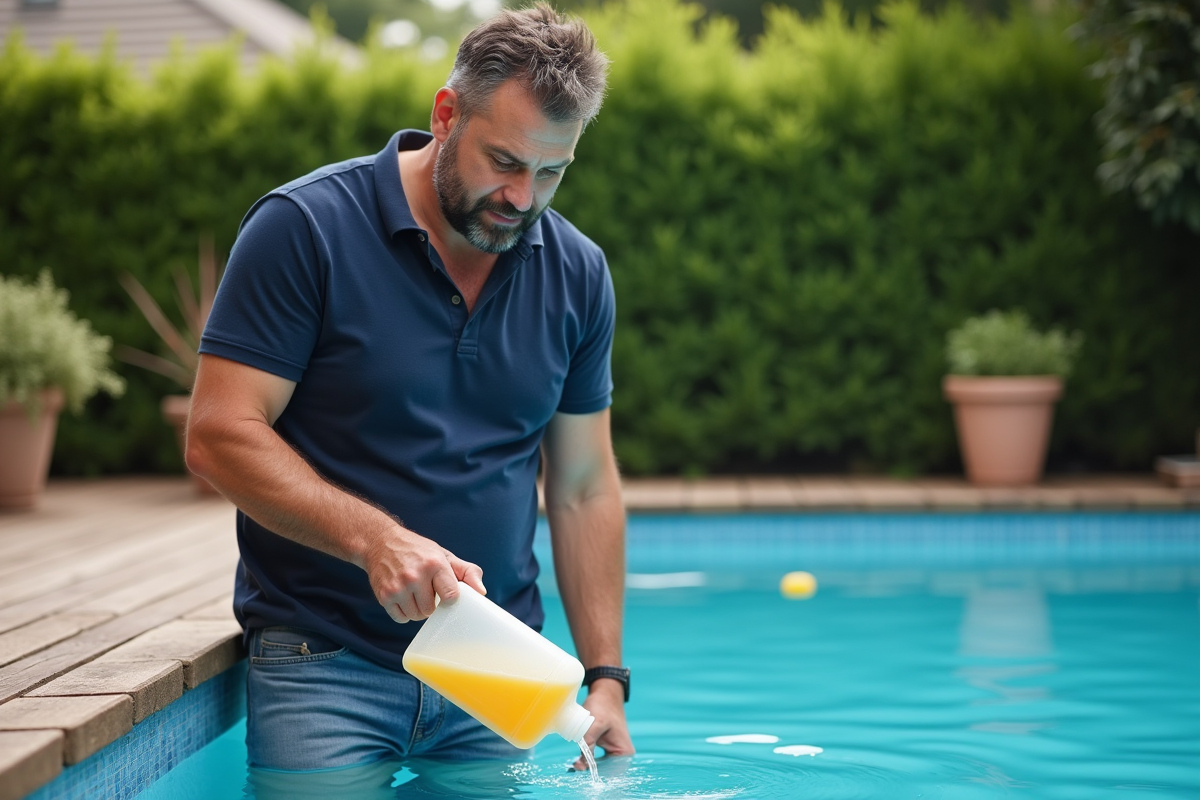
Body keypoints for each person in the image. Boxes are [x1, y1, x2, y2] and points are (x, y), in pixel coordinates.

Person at [185, 3, 633, 773]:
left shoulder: (578, 272)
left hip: (498, 674)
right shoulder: (304, 228)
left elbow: (586, 486)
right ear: (446, 113)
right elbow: (218, 434)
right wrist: (375, 541)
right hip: (322, 659)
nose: (523, 199)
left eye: (551, 172)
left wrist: (605, 680)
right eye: (505, 162)